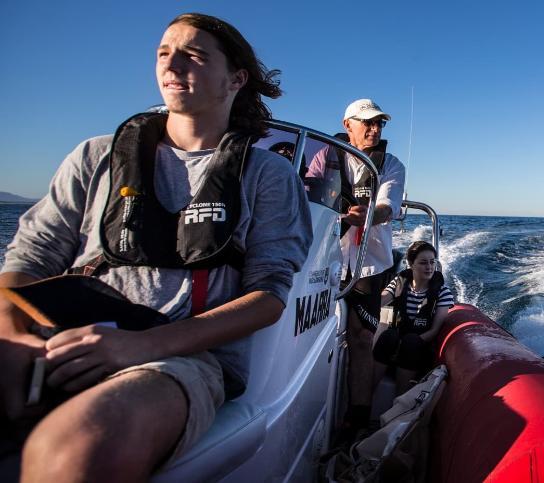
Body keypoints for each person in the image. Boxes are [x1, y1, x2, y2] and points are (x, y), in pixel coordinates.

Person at [0, 13, 311, 481]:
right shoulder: (94, 157)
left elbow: (268, 296)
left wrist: (138, 347)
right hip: (59, 336)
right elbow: (29, 259)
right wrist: (13, 336)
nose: (171, 64)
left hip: (179, 359)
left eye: (194, 54)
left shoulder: (268, 175)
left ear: (236, 79)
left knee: (82, 445)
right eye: (164, 53)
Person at [305, 99, 405, 435]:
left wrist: (371, 215)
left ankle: (357, 417)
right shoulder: (324, 158)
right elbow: (308, 195)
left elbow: (388, 205)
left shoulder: (390, 164)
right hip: (325, 260)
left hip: (368, 267)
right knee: (315, 331)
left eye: (380, 124)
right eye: (368, 123)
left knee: (362, 337)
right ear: (348, 125)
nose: (375, 129)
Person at [376, 241, 455, 394]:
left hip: (419, 350)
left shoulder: (442, 292)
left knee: (411, 342)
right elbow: (380, 301)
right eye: (423, 263)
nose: (429, 267)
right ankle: (366, 400)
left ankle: (398, 404)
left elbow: (434, 330)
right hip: (394, 346)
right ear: (411, 264)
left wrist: (404, 345)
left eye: (432, 262)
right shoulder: (399, 283)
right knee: (388, 336)